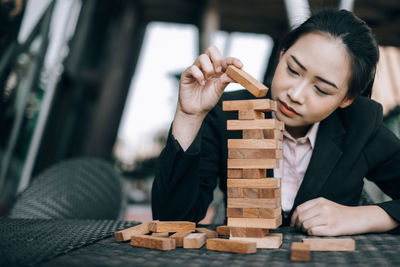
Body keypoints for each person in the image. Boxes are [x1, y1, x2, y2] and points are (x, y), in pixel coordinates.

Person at [151, 9, 400, 236]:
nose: (296, 94)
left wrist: (363, 216)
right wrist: (189, 116)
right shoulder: (225, 112)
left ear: (347, 98)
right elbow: (171, 221)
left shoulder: (362, 124)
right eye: (293, 70)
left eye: (322, 90)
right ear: (282, 55)